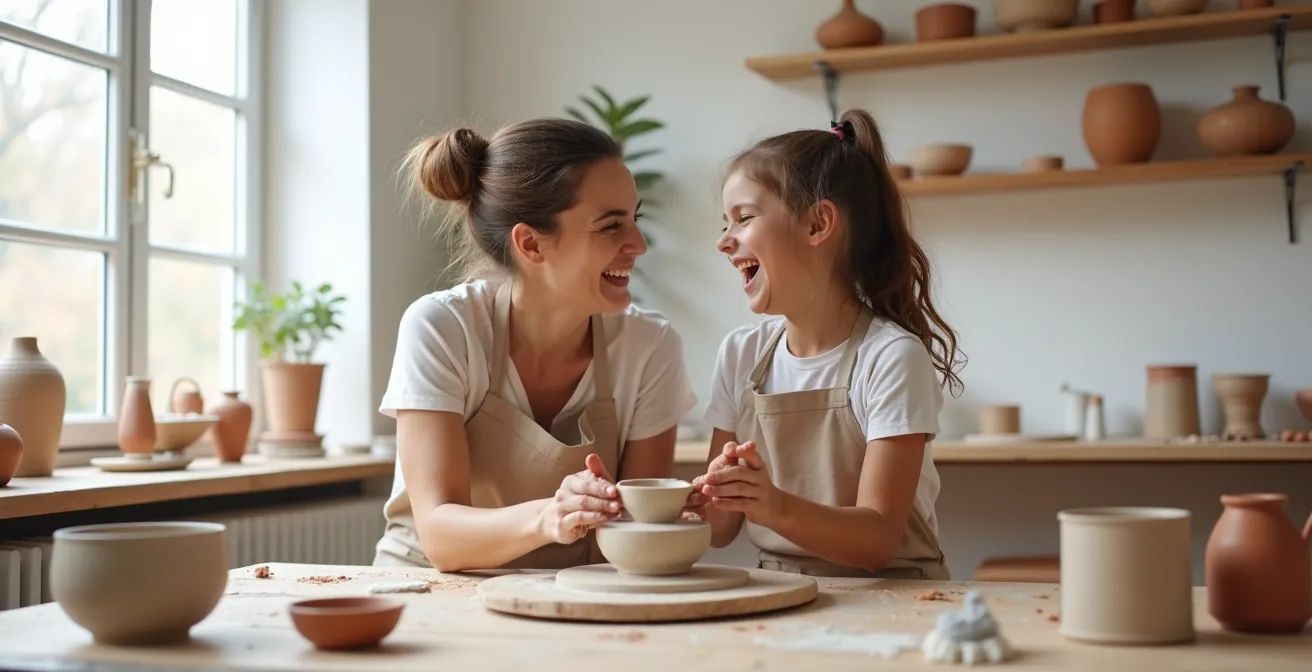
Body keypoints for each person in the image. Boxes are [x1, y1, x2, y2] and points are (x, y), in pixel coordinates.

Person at [373, 118, 697, 571]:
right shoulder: (444, 327)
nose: (638, 244)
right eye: (610, 226)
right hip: (427, 594)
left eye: (635, 219)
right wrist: (550, 516)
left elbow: (631, 534)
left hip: (568, 597)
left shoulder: (650, 346)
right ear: (531, 244)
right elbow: (441, 537)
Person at [687, 109, 965, 580]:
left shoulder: (891, 357)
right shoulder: (741, 355)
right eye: (724, 224)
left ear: (818, 224)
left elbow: (877, 541)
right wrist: (692, 502)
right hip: (780, 595)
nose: (724, 242)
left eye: (744, 219)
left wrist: (771, 502)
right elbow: (719, 526)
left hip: (895, 602)